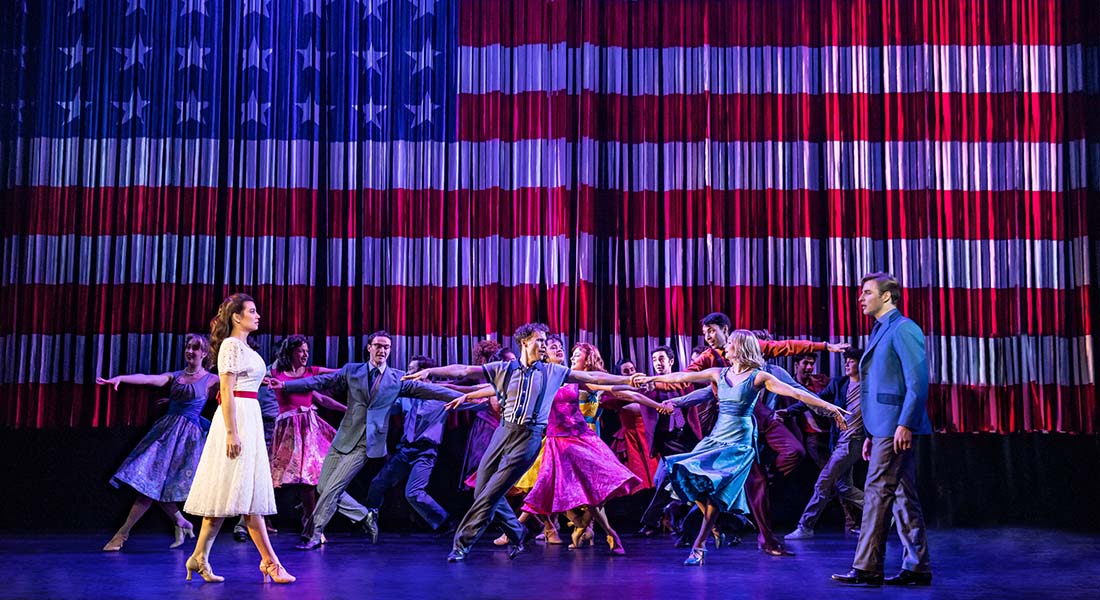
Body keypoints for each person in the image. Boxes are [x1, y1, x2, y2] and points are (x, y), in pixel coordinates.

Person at [404, 323, 635, 562]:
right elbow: (464, 370)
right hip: (503, 432)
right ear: (524, 342)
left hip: (529, 437)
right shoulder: (504, 369)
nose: (544, 345)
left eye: (546, 341)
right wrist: (430, 372)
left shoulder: (552, 372)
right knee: (482, 488)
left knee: (491, 493)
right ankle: (517, 532)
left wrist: (629, 380)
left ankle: (462, 544)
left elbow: (593, 375)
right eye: (540, 340)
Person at [633, 330, 848, 566]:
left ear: (741, 348)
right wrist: (651, 380)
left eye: (731, 344)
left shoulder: (758, 377)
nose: (725, 347)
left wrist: (829, 408)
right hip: (717, 436)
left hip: (740, 441)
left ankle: (700, 544)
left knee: (720, 492)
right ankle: (711, 532)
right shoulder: (719, 373)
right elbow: (682, 379)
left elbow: (796, 392)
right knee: (686, 473)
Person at [268, 330, 461, 550]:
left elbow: (432, 391)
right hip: (343, 438)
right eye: (378, 346)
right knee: (323, 486)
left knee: (333, 488)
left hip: (366, 444)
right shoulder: (353, 371)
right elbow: (321, 381)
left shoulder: (397, 378)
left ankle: (313, 534)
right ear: (369, 347)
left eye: (387, 347)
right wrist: (285, 385)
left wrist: (468, 396)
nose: (383, 350)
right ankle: (364, 515)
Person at [183, 294, 294, 584]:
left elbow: (245, 381)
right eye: (252, 311)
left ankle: (198, 557)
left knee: (227, 492)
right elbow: (227, 390)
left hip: (249, 414)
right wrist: (232, 432)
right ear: (237, 316)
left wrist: (262, 381)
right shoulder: (231, 346)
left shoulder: (243, 347)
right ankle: (270, 562)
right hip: (237, 419)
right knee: (245, 493)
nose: (258, 316)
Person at [833, 273, 933, 586]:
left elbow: (917, 382)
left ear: (887, 296)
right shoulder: (881, 330)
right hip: (883, 428)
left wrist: (904, 423)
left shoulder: (903, 329)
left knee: (876, 491)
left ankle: (867, 567)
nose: (860, 299)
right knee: (903, 496)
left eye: (867, 293)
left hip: (896, 426)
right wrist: (872, 433)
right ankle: (917, 567)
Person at [97, 334, 218, 551]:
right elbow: (147, 378)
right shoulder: (176, 376)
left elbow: (232, 392)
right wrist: (121, 378)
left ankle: (122, 534)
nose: (190, 351)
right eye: (188, 347)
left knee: (156, 487)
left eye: (195, 348)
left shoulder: (211, 380)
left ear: (204, 353)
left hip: (187, 441)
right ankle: (180, 522)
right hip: (164, 434)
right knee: (153, 485)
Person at [266, 335, 347, 537]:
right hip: (287, 430)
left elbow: (338, 375)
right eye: (300, 351)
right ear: (290, 352)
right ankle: (262, 520)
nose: (305, 355)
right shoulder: (275, 373)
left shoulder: (312, 372)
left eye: (306, 351)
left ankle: (311, 524)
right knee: (273, 478)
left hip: (308, 429)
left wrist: (347, 408)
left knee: (308, 479)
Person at [784, 348, 866, 539]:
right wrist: (789, 412)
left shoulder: (870, 387)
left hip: (853, 442)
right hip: (838, 441)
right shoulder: (839, 384)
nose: (846, 364)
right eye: (846, 361)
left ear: (861, 364)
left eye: (851, 361)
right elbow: (814, 401)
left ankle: (805, 526)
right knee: (844, 487)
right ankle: (883, 512)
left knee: (823, 483)